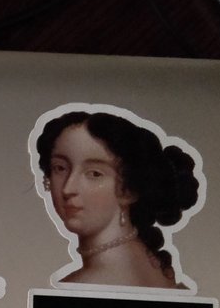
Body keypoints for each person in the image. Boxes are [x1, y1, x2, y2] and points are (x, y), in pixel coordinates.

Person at [35, 110, 199, 289]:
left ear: (129, 190)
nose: (68, 189)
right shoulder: (152, 263)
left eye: (94, 174)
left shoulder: (82, 285)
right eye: (60, 168)